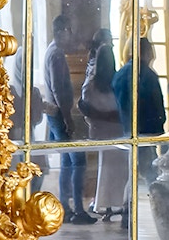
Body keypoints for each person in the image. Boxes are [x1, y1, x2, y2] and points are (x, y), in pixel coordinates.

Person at [42, 15, 96, 225]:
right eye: (69, 31)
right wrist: (67, 118)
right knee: (77, 161)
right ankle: (77, 210)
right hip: (59, 114)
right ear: (62, 30)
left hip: (55, 114)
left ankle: (65, 206)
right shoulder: (56, 55)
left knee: (66, 161)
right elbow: (57, 88)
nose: (71, 35)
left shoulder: (52, 51)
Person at [113, 38, 165, 229]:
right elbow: (156, 105)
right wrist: (159, 128)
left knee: (131, 174)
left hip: (125, 131)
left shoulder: (120, 74)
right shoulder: (147, 75)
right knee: (150, 172)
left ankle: (127, 212)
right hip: (144, 130)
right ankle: (161, 209)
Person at [80, 43, 126, 220]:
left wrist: (97, 116)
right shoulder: (116, 81)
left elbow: (86, 103)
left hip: (100, 130)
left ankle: (105, 206)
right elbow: (121, 106)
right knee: (120, 172)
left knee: (104, 170)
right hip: (117, 129)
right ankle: (121, 203)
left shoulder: (92, 84)